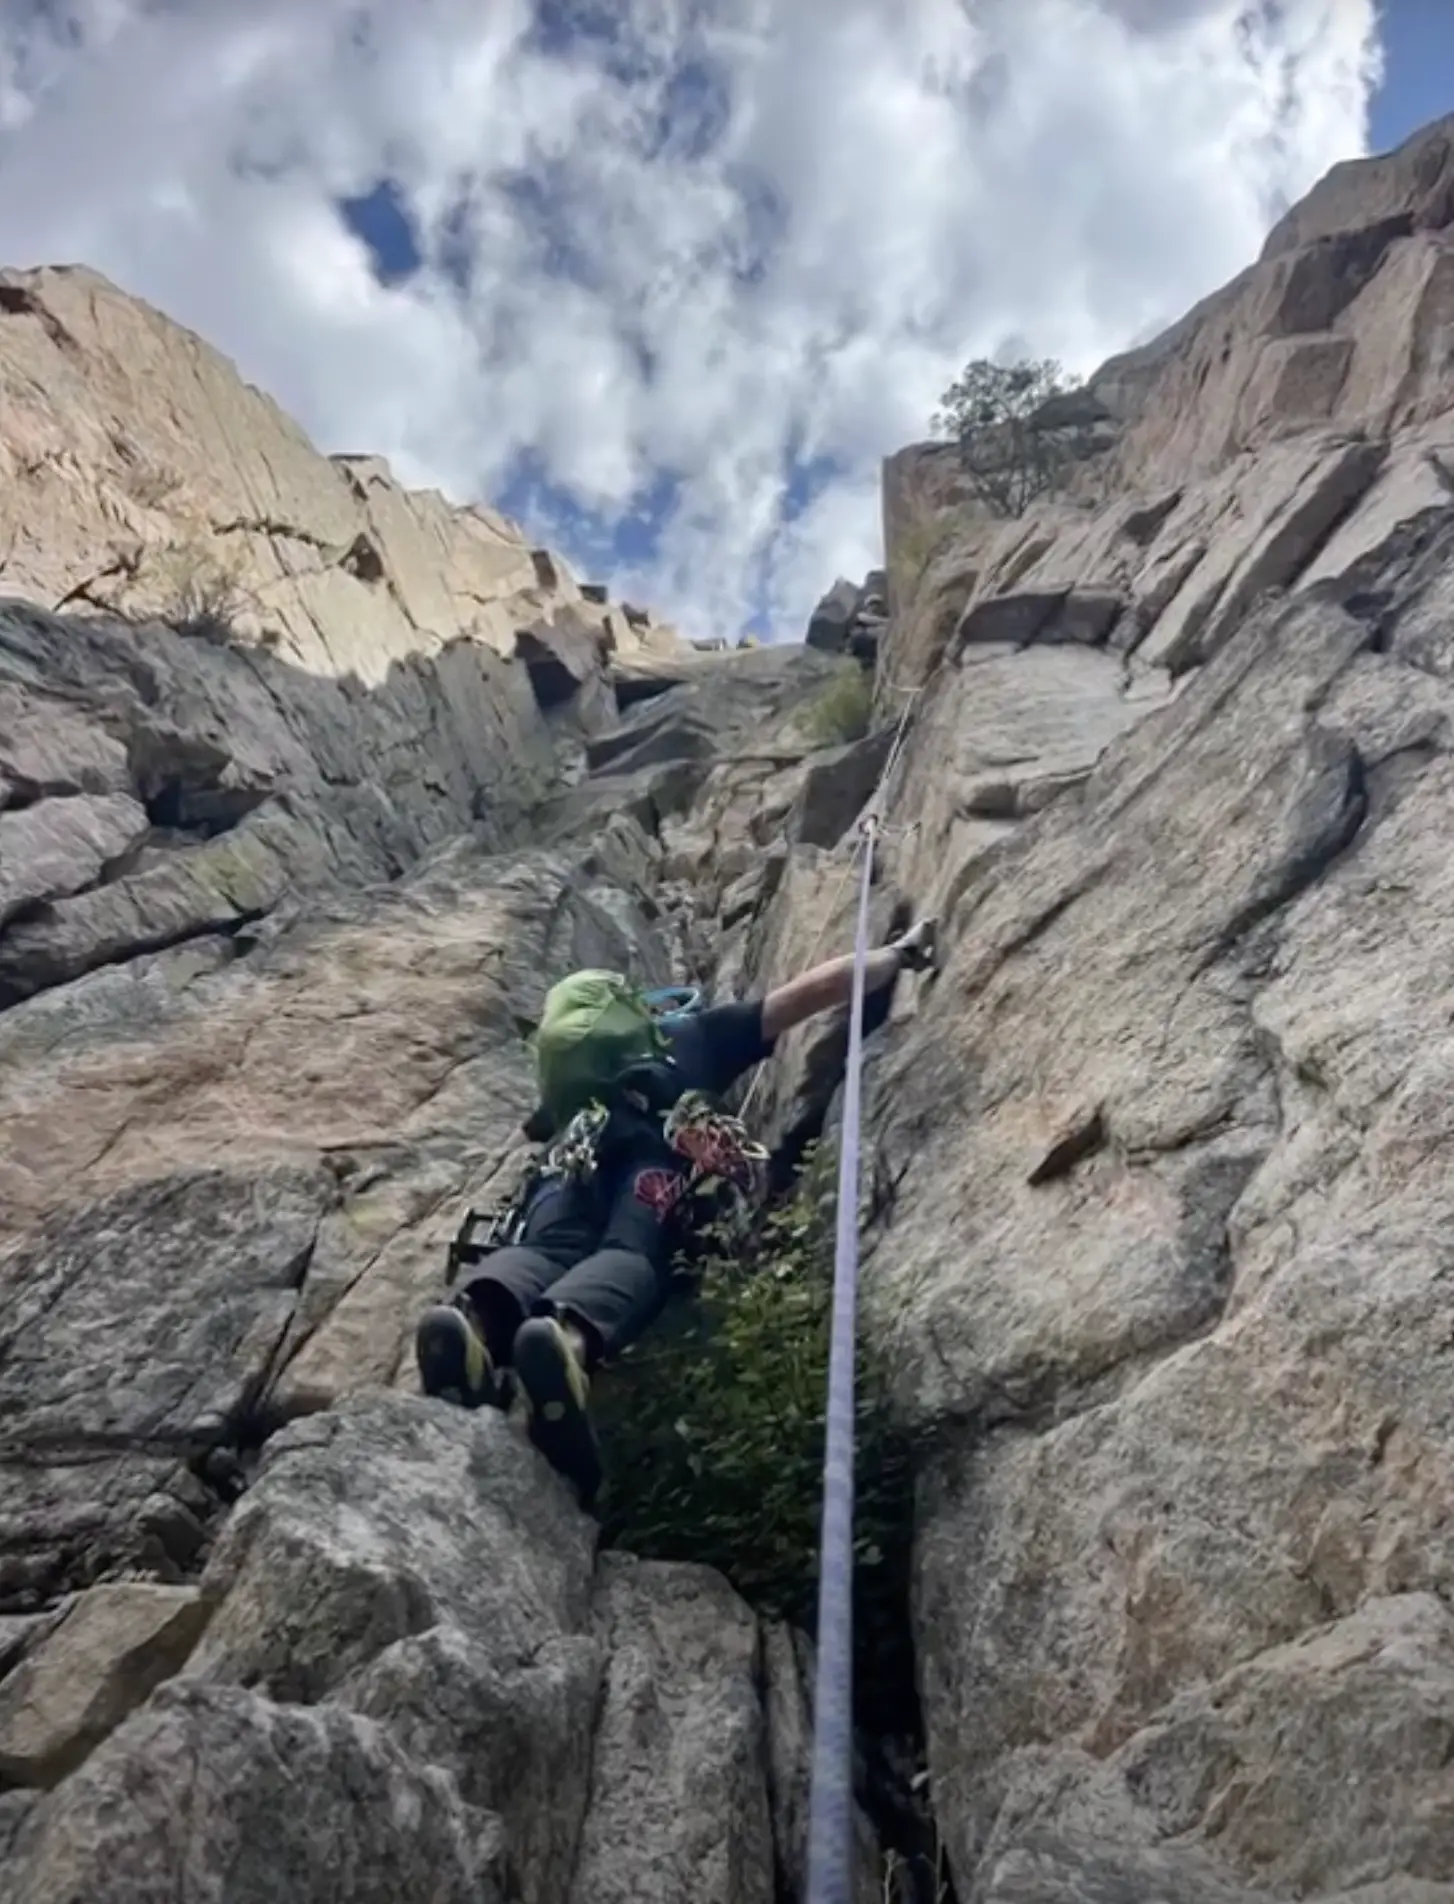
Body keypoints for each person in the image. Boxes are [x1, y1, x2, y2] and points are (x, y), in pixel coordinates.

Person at [414, 919, 937, 1503]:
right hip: (653, 1162)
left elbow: (532, 1132)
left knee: (539, 1250)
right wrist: (898, 954)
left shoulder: (566, 1084)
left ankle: (473, 1324)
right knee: (629, 1252)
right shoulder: (691, 1035)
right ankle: (563, 1338)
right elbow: (809, 993)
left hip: (566, 1162)